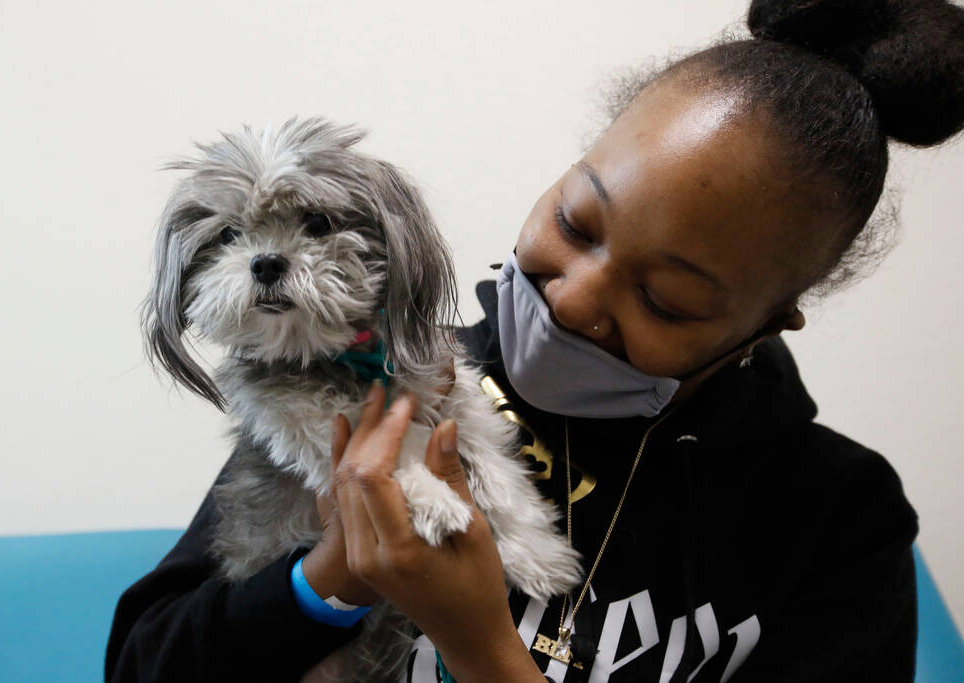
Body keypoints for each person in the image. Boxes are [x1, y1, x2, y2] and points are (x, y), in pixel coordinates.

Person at [105, 0, 964, 680]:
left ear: (764, 326)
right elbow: (144, 662)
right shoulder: (379, 379)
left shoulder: (839, 519)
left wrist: (482, 647)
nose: (572, 296)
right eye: (576, 220)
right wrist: (332, 575)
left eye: (664, 299)